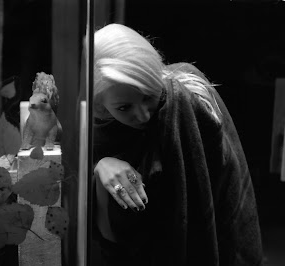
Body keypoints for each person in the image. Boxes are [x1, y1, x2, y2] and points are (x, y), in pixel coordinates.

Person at [92, 23, 263, 266]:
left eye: (148, 96)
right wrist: (101, 167)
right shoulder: (99, 129)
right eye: (124, 108)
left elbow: (227, 197)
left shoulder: (190, 100)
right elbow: (111, 239)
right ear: (100, 105)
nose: (142, 116)